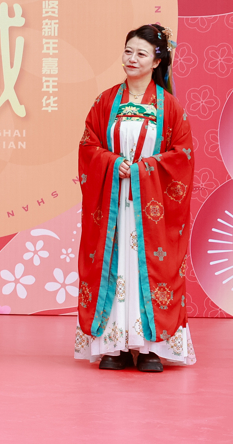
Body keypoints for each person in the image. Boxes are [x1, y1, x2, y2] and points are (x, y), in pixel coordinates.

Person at [76, 24, 196, 371]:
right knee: (113, 266)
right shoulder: (106, 101)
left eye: (141, 53)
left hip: (151, 209)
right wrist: (114, 164)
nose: (132, 58)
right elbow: (88, 145)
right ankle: (112, 345)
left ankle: (148, 347)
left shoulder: (169, 107)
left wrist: (144, 170)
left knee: (150, 267)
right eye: (128, 51)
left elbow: (183, 156)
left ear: (157, 61)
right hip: (113, 203)